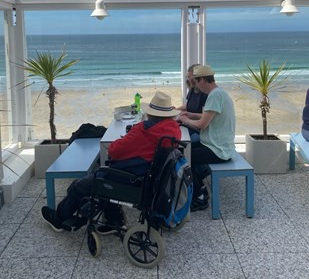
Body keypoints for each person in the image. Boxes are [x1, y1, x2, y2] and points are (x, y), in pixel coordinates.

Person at [41, 91, 181, 234]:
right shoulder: (174, 132)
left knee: (80, 185)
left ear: (150, 113)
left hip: (132, 180)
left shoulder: (142, 131)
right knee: (104, 177)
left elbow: (113, 151)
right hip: (149, 180)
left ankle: (58, 219)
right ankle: (114, 220)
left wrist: (123, 141)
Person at [178, 65, 236, 212]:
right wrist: (191, 115)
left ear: (203, 79)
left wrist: (185, 120)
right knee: (183, 151)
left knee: (184, 158)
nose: (196, 86)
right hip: (216, 144)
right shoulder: (219, 93)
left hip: (219, 149)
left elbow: (202, 124)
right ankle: (201, 190)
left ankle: (199, 198)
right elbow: (209, 116)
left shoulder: (215, 95)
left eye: (196, 82)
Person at [178, 64, 208, 143]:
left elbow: (205, 116)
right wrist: (175, 109)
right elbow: (188, 105)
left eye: (191, 77)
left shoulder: (205, 93)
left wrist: (188, 117)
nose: (189, 79)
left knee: (183, 141)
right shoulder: (192, 89)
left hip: (199, 130)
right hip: (189, 124)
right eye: (188, 77)